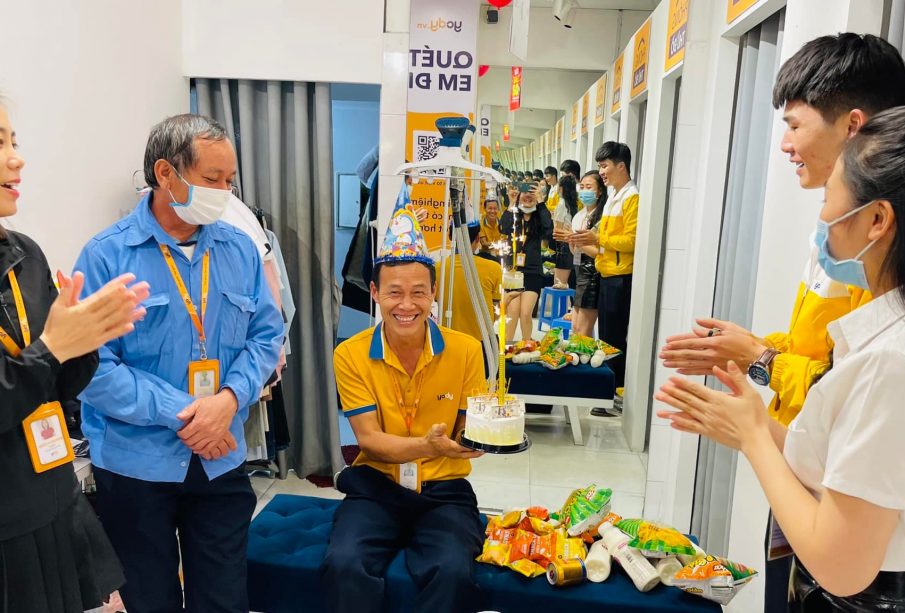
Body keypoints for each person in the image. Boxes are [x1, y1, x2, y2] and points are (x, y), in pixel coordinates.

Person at [657, 34, 905, 610]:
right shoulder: (856, 258)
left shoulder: (886, 348)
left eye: (794, 124)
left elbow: (846, 388)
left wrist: (758, 386)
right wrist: (754, 378)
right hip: (816, 485)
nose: (786, 144)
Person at [75, 114, 284, 613]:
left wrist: (228, 400)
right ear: (166, 173)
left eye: (230, 180)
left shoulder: (239, 249)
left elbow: (267, 335)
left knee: (223, 598)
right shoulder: (107, 257)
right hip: (135, 465)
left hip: (219, 460)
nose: (225, 193)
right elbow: (91, 367)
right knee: (149, 599)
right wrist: (190, 414)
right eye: (213, 179)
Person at [0, 103, 149, 612]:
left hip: (52, 496)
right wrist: (53, 350)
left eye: (14, 140)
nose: (16, 158)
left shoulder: (25, 255)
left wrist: (87, 338)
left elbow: (60, 386)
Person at [321, 202, 486, 613]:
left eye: (418, 292)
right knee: (344, 564)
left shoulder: (467, 350)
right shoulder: (350, 354)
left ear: (434, 293)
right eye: (394, 292)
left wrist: (474, 440)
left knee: (453, 571)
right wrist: (430, 446)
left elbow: (468, 429)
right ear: (375, 293)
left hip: (444, 491)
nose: (406, 305)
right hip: (376, 486)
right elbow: (369, 441)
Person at [572, 141, 637, 409]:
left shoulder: (632, 197)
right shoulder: (613, 197)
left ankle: (616, 394)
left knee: (614, 339)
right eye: (599, 166)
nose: (601, 172)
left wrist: (597, 237)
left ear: (621, 166)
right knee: (607, 337)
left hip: (620, 277)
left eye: (604, 166)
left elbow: (632, 241)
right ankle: (609, 392)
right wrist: (589, 238)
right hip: (607, 273)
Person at [501, 183, 553, 342]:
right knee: (512, 312)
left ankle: (527, 345)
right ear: (519, 196)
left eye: (532, 194)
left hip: (533, 271)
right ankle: (506, 347)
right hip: (513, 271)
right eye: (524, 193)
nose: (528, 197)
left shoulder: (539, 216)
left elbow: (548, 230)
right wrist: (511, 203)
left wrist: (541, 202)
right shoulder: (514, 214)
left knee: (525, 313)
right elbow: (503, 227)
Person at [556, 172, 605, 337]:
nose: (584, 191)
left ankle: (583, 353)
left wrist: (577, 241)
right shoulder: (579, 215)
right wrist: (570, 241)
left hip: (593, 274)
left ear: (600, 191)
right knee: (576, 328)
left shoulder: (602, 216)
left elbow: (599, 252)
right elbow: (575, 252)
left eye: (589, 187)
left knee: (582, 331)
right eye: (582, 187)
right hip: (579, 271)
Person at [442, 223, 501, 342]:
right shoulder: (494, 268)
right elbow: (497, 311)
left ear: (450, 236)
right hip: (482, 343)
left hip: (447, 341)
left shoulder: (439, 269)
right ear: (478, 238)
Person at [551, 174, 579, 289]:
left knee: (559, 284)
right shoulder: (573, 204)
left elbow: (557, 230)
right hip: (571, 245)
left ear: (561, 188)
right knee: (570, 284)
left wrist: (553, 219)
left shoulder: (562, 203)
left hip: (563, 246)